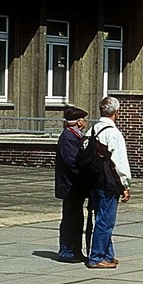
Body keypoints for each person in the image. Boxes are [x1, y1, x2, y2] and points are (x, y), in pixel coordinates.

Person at [85, 96, 131, 269]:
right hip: (108, 182)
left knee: (101, 217)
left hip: (93, 180)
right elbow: (120, 162)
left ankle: (108, 254)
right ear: (116, 112)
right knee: (106, 220)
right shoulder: (113, 133)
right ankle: (96, 257)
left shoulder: (93, 130)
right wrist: (125, 185)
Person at [54, 106, 92, 262]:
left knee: (76, 219)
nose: (84, 122)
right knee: (71, 219)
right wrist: (86, 175)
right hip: (71, 187)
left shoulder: (75, 136)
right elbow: (72, 163)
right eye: (83, 120)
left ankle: (75, 250)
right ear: (78, 121)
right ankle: (67, 250)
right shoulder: (68, 138)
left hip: (75, 187)